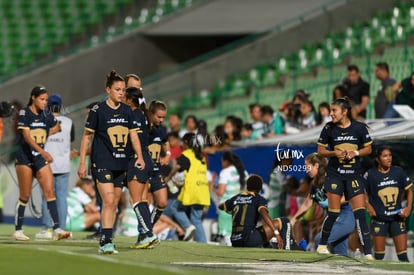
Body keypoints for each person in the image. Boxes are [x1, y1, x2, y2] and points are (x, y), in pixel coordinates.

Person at [77, 70, 146, 254]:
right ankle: (105, 241)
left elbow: (133, 136)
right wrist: (82, 162)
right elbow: (86, 138)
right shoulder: (97, 110)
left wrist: (139, 156)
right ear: (108, 90)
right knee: (108, 200)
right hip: (102, 162)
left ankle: (107, 238)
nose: (121, 93)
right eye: (117, 89)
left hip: (121, 163)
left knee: (114, 203)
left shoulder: (127, 111)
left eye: (123, 89)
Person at [316, 97, 373, 259]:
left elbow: (368, 149)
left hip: (354, 175)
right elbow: (320, 151)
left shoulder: (359, 128)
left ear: (345, 111)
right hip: (335, 175)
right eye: (330, 110)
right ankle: (322, 246)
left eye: (334, 110)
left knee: (360, 215)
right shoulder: (328, 128)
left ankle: (368, 254)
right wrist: (334, 153)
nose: (331, 114)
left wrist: (355, 153)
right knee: (333, 213)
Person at [13, 86, 71, 241]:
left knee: (49, 192)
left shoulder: (46, 114)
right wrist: (43, 150)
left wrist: (46, 133)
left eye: (46, 99)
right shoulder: (25, 113)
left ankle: (57, 228)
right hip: (25, 157)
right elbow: (26, 136)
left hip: (39, 157)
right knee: (25, 195)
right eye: (42, 99)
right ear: (33, 98)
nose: (45, 102)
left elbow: (57, 126)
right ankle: (18, 230)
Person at [291, 153, 355, 256]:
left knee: (320, 240)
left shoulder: (333, 177)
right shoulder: (314, 184)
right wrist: (293, 219)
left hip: (345, 218)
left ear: (316, 165)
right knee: (341, 256)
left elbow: (348, 196)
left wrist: (333, 203)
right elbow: (307, 203)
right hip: (333, 221)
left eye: (308, 167)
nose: (306, 170)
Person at [218, 174, 301, 249]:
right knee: (284, 221)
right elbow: (264, 214)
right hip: (249, 239)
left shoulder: (236, 198)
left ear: (247, 186)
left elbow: (221, 206)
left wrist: (232, 209)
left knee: (258, 230)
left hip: (235, 241)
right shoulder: (258, 199)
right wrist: (276, 233)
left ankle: (269, 246)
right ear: (260, 188)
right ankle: (290, 246)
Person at [36, 94, 77, 239]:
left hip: (46, 164)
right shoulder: (69, 122)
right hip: (63, 164)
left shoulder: (42, 120)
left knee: (47, 197)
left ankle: (47, 229)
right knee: (61, 198)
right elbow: (70, 141)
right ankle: (61, 229)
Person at [365, 145, 413, 261]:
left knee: (403, 257)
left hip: (397, 218)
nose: (389, 158)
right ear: (377, 159)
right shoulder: (370, 174)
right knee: (379, 257)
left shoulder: (398, 171)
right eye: (385, 156)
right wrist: (368, 205)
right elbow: (362, 193)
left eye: (390, 155)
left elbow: (409, 190)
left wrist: (408, 208)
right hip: (379, 219)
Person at [124, 86, 158, 249]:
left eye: (125, 96)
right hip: (147, 157)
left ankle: (149, 234)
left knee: (135, 200)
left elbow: (133, 138)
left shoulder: (131, 114)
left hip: (137, 159)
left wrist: (136, 157)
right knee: (143, 199)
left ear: (130, 100)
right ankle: (145, 236)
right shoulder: (143, 115)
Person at [164, 133, 210, 243]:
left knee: (175, 207)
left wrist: (169, 177)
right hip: (202, 191)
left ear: (185, 143)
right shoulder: (201, 157)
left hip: (192, 190)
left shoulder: (186, 154)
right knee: (196, 219)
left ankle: (188, 226)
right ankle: (203, 243)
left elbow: (178, 167)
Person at [211, 151, 247, 246]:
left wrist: (211, 186)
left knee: (227, 237)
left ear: (226, 161)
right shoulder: (244, 172)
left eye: (222, 161)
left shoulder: (225, 172)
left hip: (227, 207)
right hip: (240, 207)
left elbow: (220, 192)